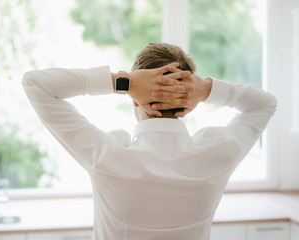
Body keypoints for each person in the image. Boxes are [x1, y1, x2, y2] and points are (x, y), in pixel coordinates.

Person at [22, 43, 277, 240]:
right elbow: (264, 104)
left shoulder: (108, 156)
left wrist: (123, 81)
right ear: (189, 106)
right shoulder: (220, 152)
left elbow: (35, 84)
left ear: (133, 98)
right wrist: (205, 89)